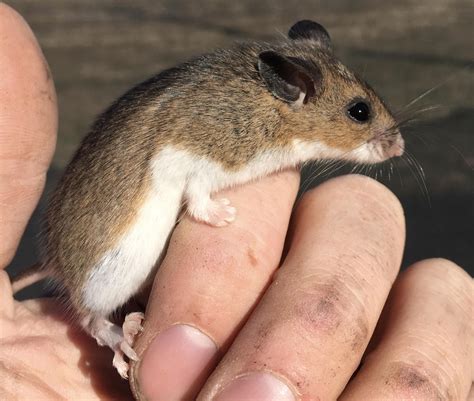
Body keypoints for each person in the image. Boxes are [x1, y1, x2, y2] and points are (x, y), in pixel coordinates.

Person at [0, 4, 471, 401]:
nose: (388, 142)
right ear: (296, 90)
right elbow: (178, 153)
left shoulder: (264, 119)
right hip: (102, 224)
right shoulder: (244, 118)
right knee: (108, 288)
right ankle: (95, 319)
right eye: (359, 115)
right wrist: (200, 200)